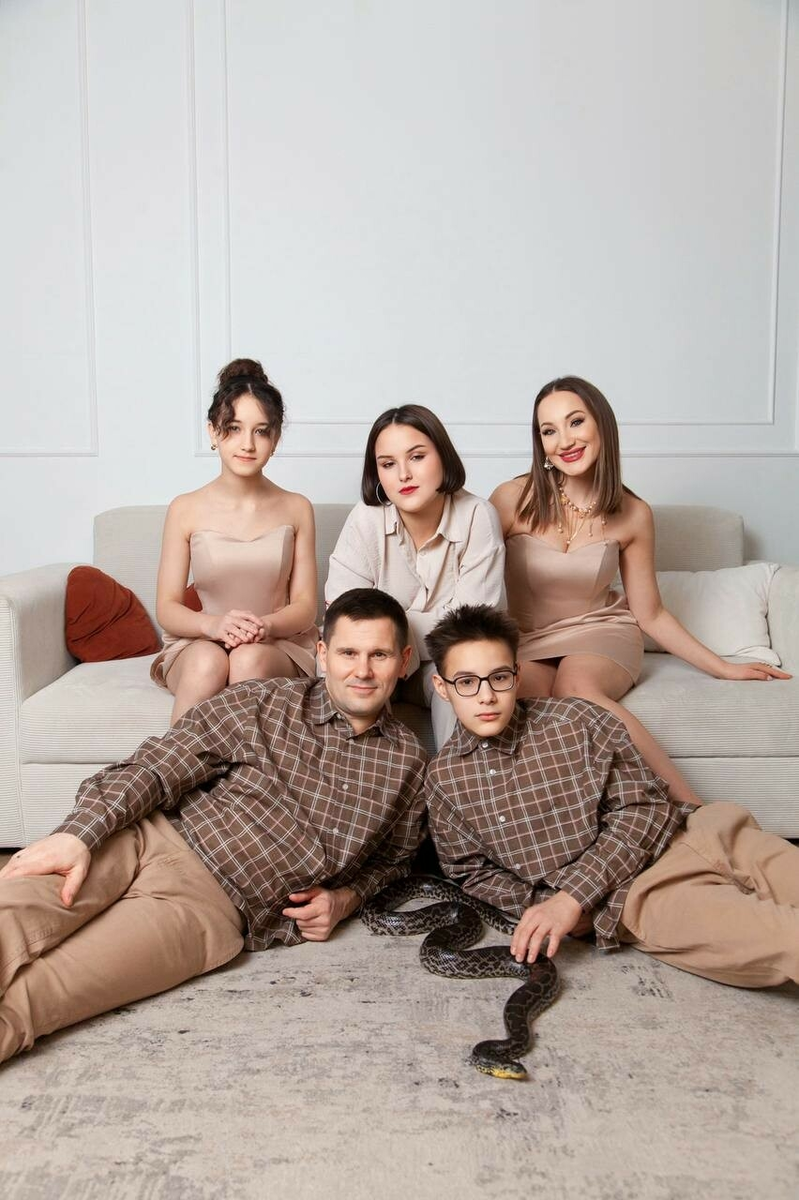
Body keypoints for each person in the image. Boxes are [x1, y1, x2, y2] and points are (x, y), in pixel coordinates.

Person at [0, 589, 427, 1064]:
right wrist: (79, 833)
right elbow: (160, 764)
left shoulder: (410, 766)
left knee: (39, 997)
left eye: (379, 655)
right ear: (323, 655)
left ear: (404, 660)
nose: (362, 670)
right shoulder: (262, 700)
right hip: (143, 837)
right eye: (348, 653)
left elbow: (396, 860)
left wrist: (346, 899)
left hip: (207, 907)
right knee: (10, 914)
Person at [424, 604, 799, 987]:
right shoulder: (444, 779)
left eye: (499, 677)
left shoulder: (576, 719)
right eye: (466, 682)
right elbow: (471, 871)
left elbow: (645, 807)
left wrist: (572, 896)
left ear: (517, 676)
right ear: (442, 687)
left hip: (702, 832)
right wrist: (551, 904)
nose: (486, 696)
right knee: (789, 940)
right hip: (638, 894)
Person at [490, 375, 790, 806]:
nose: (564, 441)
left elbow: (651, 614)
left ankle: (693, 809)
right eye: (549, 430)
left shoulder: (633, 513)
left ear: (602, 425)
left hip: (599, 632)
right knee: (513, 696)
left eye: (576, 422)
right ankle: (578, 820)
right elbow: (471, 576)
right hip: (526, 638)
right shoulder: (511, 497)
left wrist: (724, 668)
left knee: (576, 689)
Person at [326, 404, 505, 748]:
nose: (404, 475)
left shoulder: (477, 516)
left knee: (463, 680)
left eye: (417, 457)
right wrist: (402, 637)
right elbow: (343, 617)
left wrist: (388, 629)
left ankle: (457, 777)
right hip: (374, 662)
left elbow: (468, 629)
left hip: (444, 663)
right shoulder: (366, 518)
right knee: (347, 678)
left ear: (443, 457)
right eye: (388, 464)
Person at [151, 358, 318, 724]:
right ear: (213, 433)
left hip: (275, 644)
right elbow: (167, 606)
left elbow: (306, 606)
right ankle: (176, 761)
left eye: (261, 431)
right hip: (201, 641)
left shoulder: (297, 508)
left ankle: (244, 764)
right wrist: (213, 626)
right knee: (207, 661)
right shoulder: (184, 508)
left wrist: (263, 627)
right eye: (233, 428)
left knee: (248, 659)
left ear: (275, 439)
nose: (247, 444)